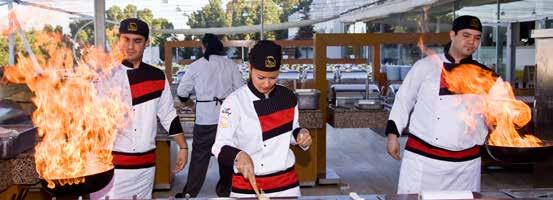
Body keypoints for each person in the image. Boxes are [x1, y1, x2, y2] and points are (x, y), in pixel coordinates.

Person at [385, 15, 494, 194]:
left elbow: (499, 109)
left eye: (477, 37)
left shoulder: (486, 75)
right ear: (452, 35)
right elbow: (404, 100)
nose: (472, 42)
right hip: (424, 161)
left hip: (466, 166)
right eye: (466, 35)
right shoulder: (425, 66)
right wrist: (392, 135)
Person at [90, 18, 188, 199]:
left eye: (137, 41)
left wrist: (183, 147)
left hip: (145, 168)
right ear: (119, 40)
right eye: (126, 39)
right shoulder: (104, 76)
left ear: (147, 43)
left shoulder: (157, 76)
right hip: (110, 168)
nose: (130, 46)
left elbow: (168, 116)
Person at [212, 40, 312, 198]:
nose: (266, 84)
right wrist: (238, 155)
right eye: (260, 77)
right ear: (249, 68)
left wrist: (301, 135)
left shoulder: (288, 97)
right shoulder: (234, 102)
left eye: (273, 78)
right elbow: (219, 145)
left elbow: (293, 130)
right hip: (247, 187)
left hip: (286, 185)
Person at [175, 33, 243, 197]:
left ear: (204, 47)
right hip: (227, 120)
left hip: (204, 120)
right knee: (226, 156)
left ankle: (189, 193)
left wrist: (192, 105)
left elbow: (181, 92)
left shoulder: (196, 66)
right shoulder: (230, 65)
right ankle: (225, 191)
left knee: (199, 158)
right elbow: (241, 91)